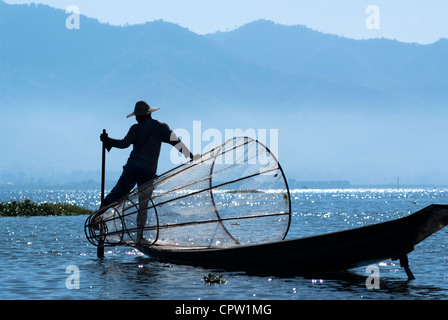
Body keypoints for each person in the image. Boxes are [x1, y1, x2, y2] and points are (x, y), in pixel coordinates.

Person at [99, 101, 195, 243]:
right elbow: (177, 142)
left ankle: (96, 218)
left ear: (139, 116)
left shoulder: (136, 128)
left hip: (132, 167)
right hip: (147, 171)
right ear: (149, 113)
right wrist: (191, 156)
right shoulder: (161, 127)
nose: (136, 119)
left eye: (137, 116)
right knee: (143, 205)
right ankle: (139, 237)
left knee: (116, 194)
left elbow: (124, 144)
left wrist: (108, 140)